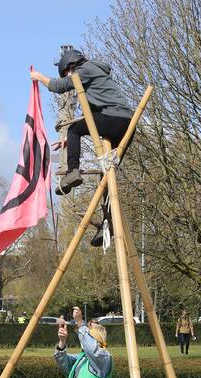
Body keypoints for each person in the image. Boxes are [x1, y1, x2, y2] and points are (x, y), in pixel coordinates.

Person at [31, 47, 135, 247]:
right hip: (125, 123)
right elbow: (92, 120)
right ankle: (109, 222)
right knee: (108, 173)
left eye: (67, 73)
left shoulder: (85, 70)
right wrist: (69, 142)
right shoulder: (98, 75)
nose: (69, 76)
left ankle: (73, 172)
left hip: (114, 118)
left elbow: (59, 86)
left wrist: (39, 77)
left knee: (75, 129)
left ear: (70, 66)